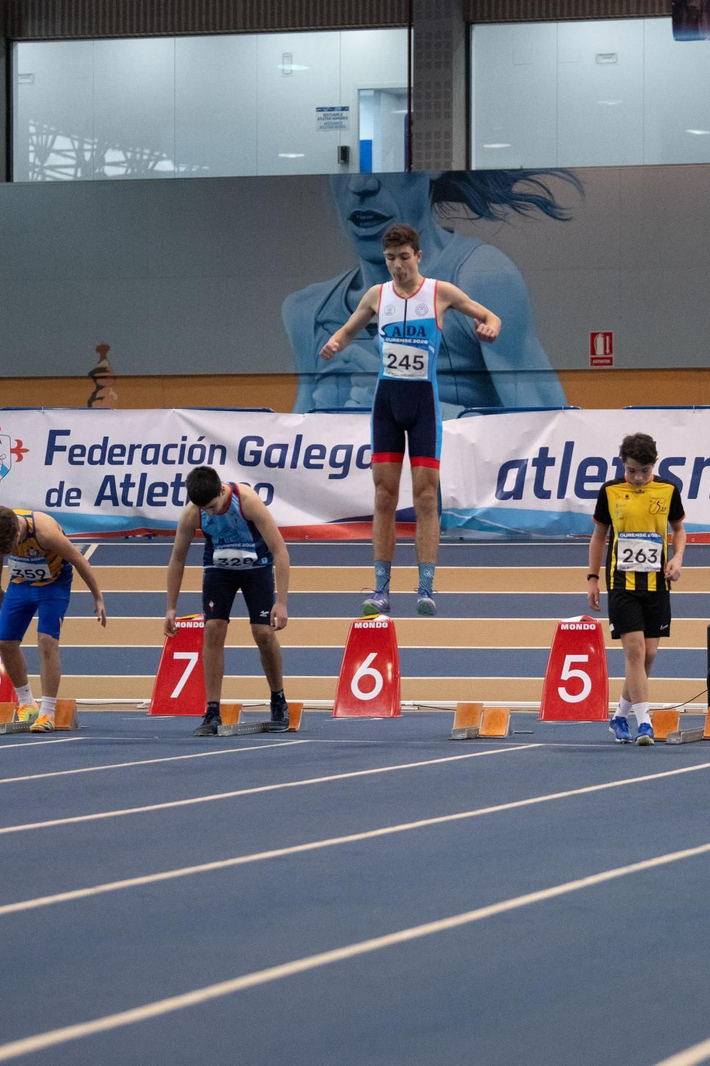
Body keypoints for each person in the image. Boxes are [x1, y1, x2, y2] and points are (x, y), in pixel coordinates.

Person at [320, 223, 502, 618]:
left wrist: (489, 327)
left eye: (404, 257)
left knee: (425, 497)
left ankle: (425, 588)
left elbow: (490, 315)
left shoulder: (439, 292)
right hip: (387, 403)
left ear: (418, 256)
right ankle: (381, 590)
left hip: (423, 406)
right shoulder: (377, 295)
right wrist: (335, 343)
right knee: (384, 497)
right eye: (390, 259)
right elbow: (348, 331)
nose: (397, 266)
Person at [286, 170, 574, 417]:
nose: (360, 184)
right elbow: (297, 442)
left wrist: (406, 401)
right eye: (345, 166)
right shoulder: (306, 310)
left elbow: (546, 429)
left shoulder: (480, 278)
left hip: (439, 459)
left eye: (387, 163)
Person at [165, 467, 292, 737]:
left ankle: (278, 700)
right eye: (204, 510)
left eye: (212, 507)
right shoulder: (193, 512)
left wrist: (281, 602)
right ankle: (212, 710)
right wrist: (171, 608)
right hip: (219, 570)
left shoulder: (247, 500)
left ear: (222, 491)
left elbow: (280, 550)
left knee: (263, 633)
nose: (209, 513)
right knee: (213, 629)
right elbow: (177, 558)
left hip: (256, 568)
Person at [586, 433, 686, 746]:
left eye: (644, 471)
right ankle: (644, 722)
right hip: (621, 583)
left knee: (648, 654)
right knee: (634, 651)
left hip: (656, 583)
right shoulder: (610, 491)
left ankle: (620, 715)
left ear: (654, 464)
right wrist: (592, 578)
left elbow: (679, 529)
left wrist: (677, 558)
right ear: (622, 464)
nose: (638, 478)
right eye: (631, 471)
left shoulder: (668, 490)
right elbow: (599, 536)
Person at [0, 506, 106, 732]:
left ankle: (47, 711)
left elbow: (78, 559)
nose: (8, 552)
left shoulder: (45, 532)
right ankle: (27, 704)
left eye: (10, 547)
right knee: (5, 642)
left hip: (54, 585)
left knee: (47, 641)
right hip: (21, 584)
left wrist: (97, 597)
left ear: (17, 533)